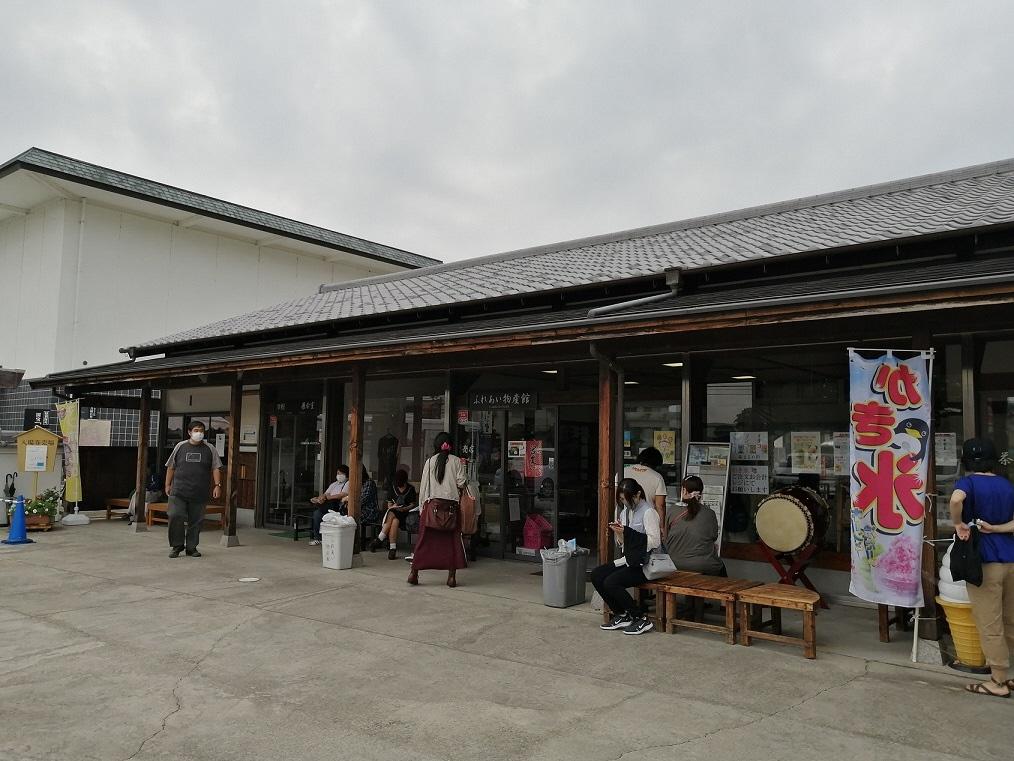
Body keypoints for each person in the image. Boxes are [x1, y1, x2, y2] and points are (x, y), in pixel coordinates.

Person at [949, 437, 1014, 699]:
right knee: (1011, 619)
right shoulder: (1006, 485)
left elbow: (956, 500)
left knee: (990, 622)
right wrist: (997, 528)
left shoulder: (969, 482)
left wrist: (958, 524)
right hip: (1011, 558)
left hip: (985, 560)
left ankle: (998, 680)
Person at [591, 478, 661, 635]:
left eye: (627, 499)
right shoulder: (625, 512)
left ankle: (640, 617)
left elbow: (655, 541)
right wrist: (619, 533)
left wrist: (629, 534)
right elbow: (623, 544)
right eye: (622, 499)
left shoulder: (649, 512)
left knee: (611, 582)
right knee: (597, 575)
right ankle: (621, 614)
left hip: (646, 563)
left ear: (637, 494)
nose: (625, 502)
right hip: (630, 559)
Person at [408, 432, 467, 588]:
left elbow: (424, 487)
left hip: (431, 506)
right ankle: (451, 578)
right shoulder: (456, 461)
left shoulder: (429, 462)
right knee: (452, 543)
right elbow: (462, 482)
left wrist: (422, 508)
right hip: (451, 508)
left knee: (423, 542)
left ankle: (414, 573)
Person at [164, 421, 223, 558]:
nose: (199, 433)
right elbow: (171, 466)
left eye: (201, 430)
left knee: (196, 521)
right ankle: (176, 546)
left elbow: (216, 468)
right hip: (178, 490)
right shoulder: (180, 446)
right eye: (196, 430)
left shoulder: (210, 448)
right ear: (189, 432)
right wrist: (167, 484)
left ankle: (192, 547)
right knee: (175, 515)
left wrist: (217, 485)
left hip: (199, 491)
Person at [665, 475, 725, 575]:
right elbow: (714, 537)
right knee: (721, 569)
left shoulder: (672, 511)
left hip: (674, 564)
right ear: (701, 493)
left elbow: (666, 537)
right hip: (704, 566)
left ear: (684, 491)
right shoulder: (709, 513)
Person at [370, 468, 418, 559]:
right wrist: (394, 506)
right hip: (394, 512)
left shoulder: (410, 488)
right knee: (395, 520)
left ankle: (380, 539)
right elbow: (389, 505)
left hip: (405, 514)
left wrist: (404, 508)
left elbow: (412, 504)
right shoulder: (393, 488)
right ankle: (392, 549)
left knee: (393, 515)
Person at [623, 447, 667, 526]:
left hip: (624, 519)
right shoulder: (657, 477)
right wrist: (662, 527)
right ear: (656, 463)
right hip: (647, 522)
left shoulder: (624, 471)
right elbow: (660, 506)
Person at [308, 465, 349, 547]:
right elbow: (325, 494)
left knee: (318, 513)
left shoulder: (348, 483)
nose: (338, 475)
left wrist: (328, 497)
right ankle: (318, 538)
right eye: (337, 473)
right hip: (329, 505)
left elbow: (342, 495)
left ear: (346, 474)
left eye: (340, 473)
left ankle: (321, 538)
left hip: (337, 507)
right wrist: (320, 498)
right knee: (317, 514)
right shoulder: (334, 484)